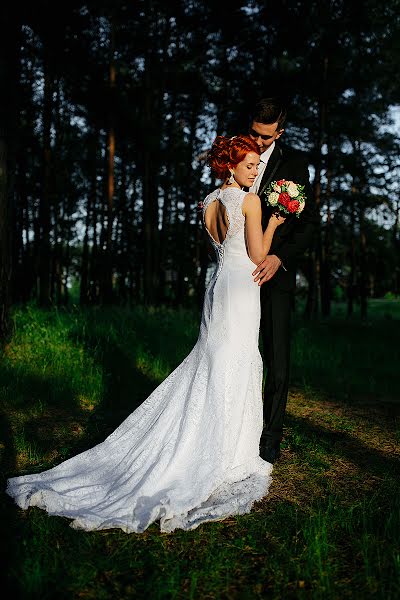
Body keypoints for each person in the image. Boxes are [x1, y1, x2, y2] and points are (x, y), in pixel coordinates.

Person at [6, 135, 286, 534]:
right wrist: (274, 223)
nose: (256, 170)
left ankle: (208, 437)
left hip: (218, 284)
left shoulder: (208, 202)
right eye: (250, 164)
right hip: (242, 287)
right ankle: (228, 451)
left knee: (213, 358)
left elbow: (222, 247)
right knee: (235, 358)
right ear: (230, 165)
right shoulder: (251, 201)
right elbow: (258, 256)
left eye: (258, 164)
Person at [248, 97, 317, 464]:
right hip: (238, 274)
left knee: (276, 357)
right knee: (239, 351)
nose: (257, 143)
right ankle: (237, 427)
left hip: (276, 272)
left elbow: (307, 228)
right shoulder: (237, 156)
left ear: (280, 132)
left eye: (265, 136)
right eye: (254, 134)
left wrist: (279, 257)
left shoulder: (295, 166)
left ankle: (271, 434)